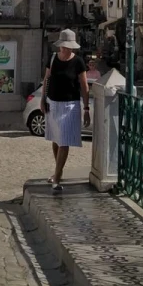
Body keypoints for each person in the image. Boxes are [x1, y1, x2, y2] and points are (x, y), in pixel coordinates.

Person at [42, 29, 90, 193]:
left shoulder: (78, 63)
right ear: (60, 45)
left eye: (69, 47)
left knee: (64, 140)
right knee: (56, 139)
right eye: (63, 46)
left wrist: (86, 108)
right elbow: (46, 79)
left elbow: (84, 86)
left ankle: (57, 176)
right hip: (53, 103)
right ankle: (58, 171)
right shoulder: (53, 58)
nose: (65, 49)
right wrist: (43, 99)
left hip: (70, 105)